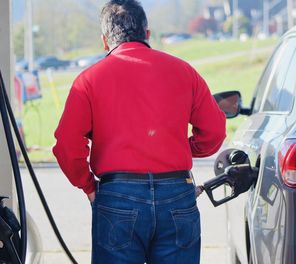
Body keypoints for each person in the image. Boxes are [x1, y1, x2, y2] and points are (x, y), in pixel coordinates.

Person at [53, 0, 226, 263]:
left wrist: (88, 186)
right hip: (177, 193)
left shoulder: (88, 80)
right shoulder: (184, 72)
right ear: (147, 33)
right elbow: (214, 131)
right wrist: (178, 146)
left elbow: (66, 145)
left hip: (117, 197)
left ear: (104, 40)